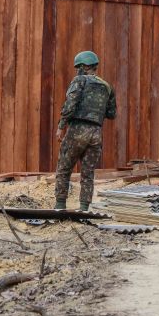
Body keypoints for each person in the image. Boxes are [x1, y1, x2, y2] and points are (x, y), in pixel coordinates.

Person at [54, 51, 116, 211]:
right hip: (96, 132)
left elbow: (70, 104)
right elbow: (111, 114)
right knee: (88, 173)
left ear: (84, 66)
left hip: (77, 130)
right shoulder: (107, 86)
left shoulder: (79, 81)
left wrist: (61, 126)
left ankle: (60, 205)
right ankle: (84, 208)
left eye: (78, 67)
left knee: (64, 167)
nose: (77, 70)